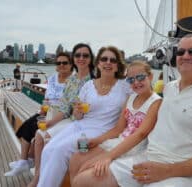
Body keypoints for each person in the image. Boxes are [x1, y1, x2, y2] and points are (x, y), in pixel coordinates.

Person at [72, 34, 192, 187]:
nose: (185, 55)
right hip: (147, 157)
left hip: (181, 171)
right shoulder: (170, 88)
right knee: (82, 181)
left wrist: (168, 171)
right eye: (180, 51)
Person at [36, 46, 132, 187]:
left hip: (101, 131)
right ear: (98, 63)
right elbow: (78, 115)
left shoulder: (125, 88)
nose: (108, 62)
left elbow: (143, 98)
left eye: (113, 60)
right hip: (79, 125)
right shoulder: (88, 85)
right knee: (49, 147)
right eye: (104, 59)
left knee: (60, 150)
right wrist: (77, 111)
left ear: (118, 66)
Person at [70, 61, 162, 187]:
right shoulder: (131, 98)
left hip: (134, 149)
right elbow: (118, 129)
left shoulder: (156, 102)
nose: (136, 82)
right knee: (76, 158)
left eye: (140, 77)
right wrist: (96, 140)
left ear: (150, 77)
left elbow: (140, 134)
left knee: (83, 176)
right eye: (131, 80)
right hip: (118, 142)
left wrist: (108, 156)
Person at [27, 43, 95, 187]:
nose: (81, 58)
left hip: (84, 122)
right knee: (39, 133)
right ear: (74, 59)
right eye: (77, 55)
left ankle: (45, 178)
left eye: (85, 55)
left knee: (47, 139)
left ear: (91, 58)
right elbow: (64, 108)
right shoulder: (72, 80)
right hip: (70, 118)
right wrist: (49, 123)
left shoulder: (94, 80)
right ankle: (38, 175)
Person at [4, 52, 73, 177]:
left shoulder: (73, 81)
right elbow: (47, 98)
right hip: (47, 111)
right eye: (59, 63)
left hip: (61, 116)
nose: (61, 65)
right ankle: (23, 161)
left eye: (65, 63)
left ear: (71, 64)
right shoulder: (52, 78)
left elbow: (68, 105)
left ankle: (27, 162)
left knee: (36, 131)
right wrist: (43, 108)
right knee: (27, 125)